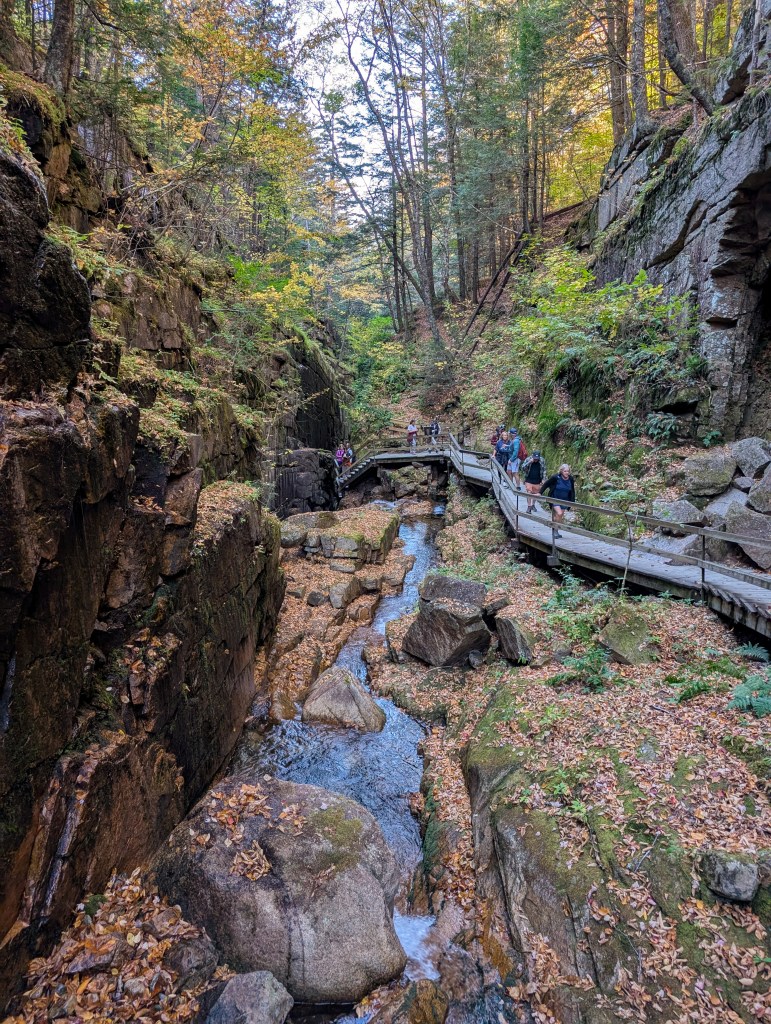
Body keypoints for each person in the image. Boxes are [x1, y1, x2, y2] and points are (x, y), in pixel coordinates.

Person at [540, 463, 575, 538]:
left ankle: (554, 528)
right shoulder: (556, 477)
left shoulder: (571, 479)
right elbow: (546, 484)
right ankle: (555, 531)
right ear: (561, 471)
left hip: (565, 500)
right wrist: (540, 493)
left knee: (559, 516)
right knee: (559, 513)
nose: (567, 473)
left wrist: (572, 502)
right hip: (555, 498)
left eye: (568, 471)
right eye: (565, 471)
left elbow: (572, 490)